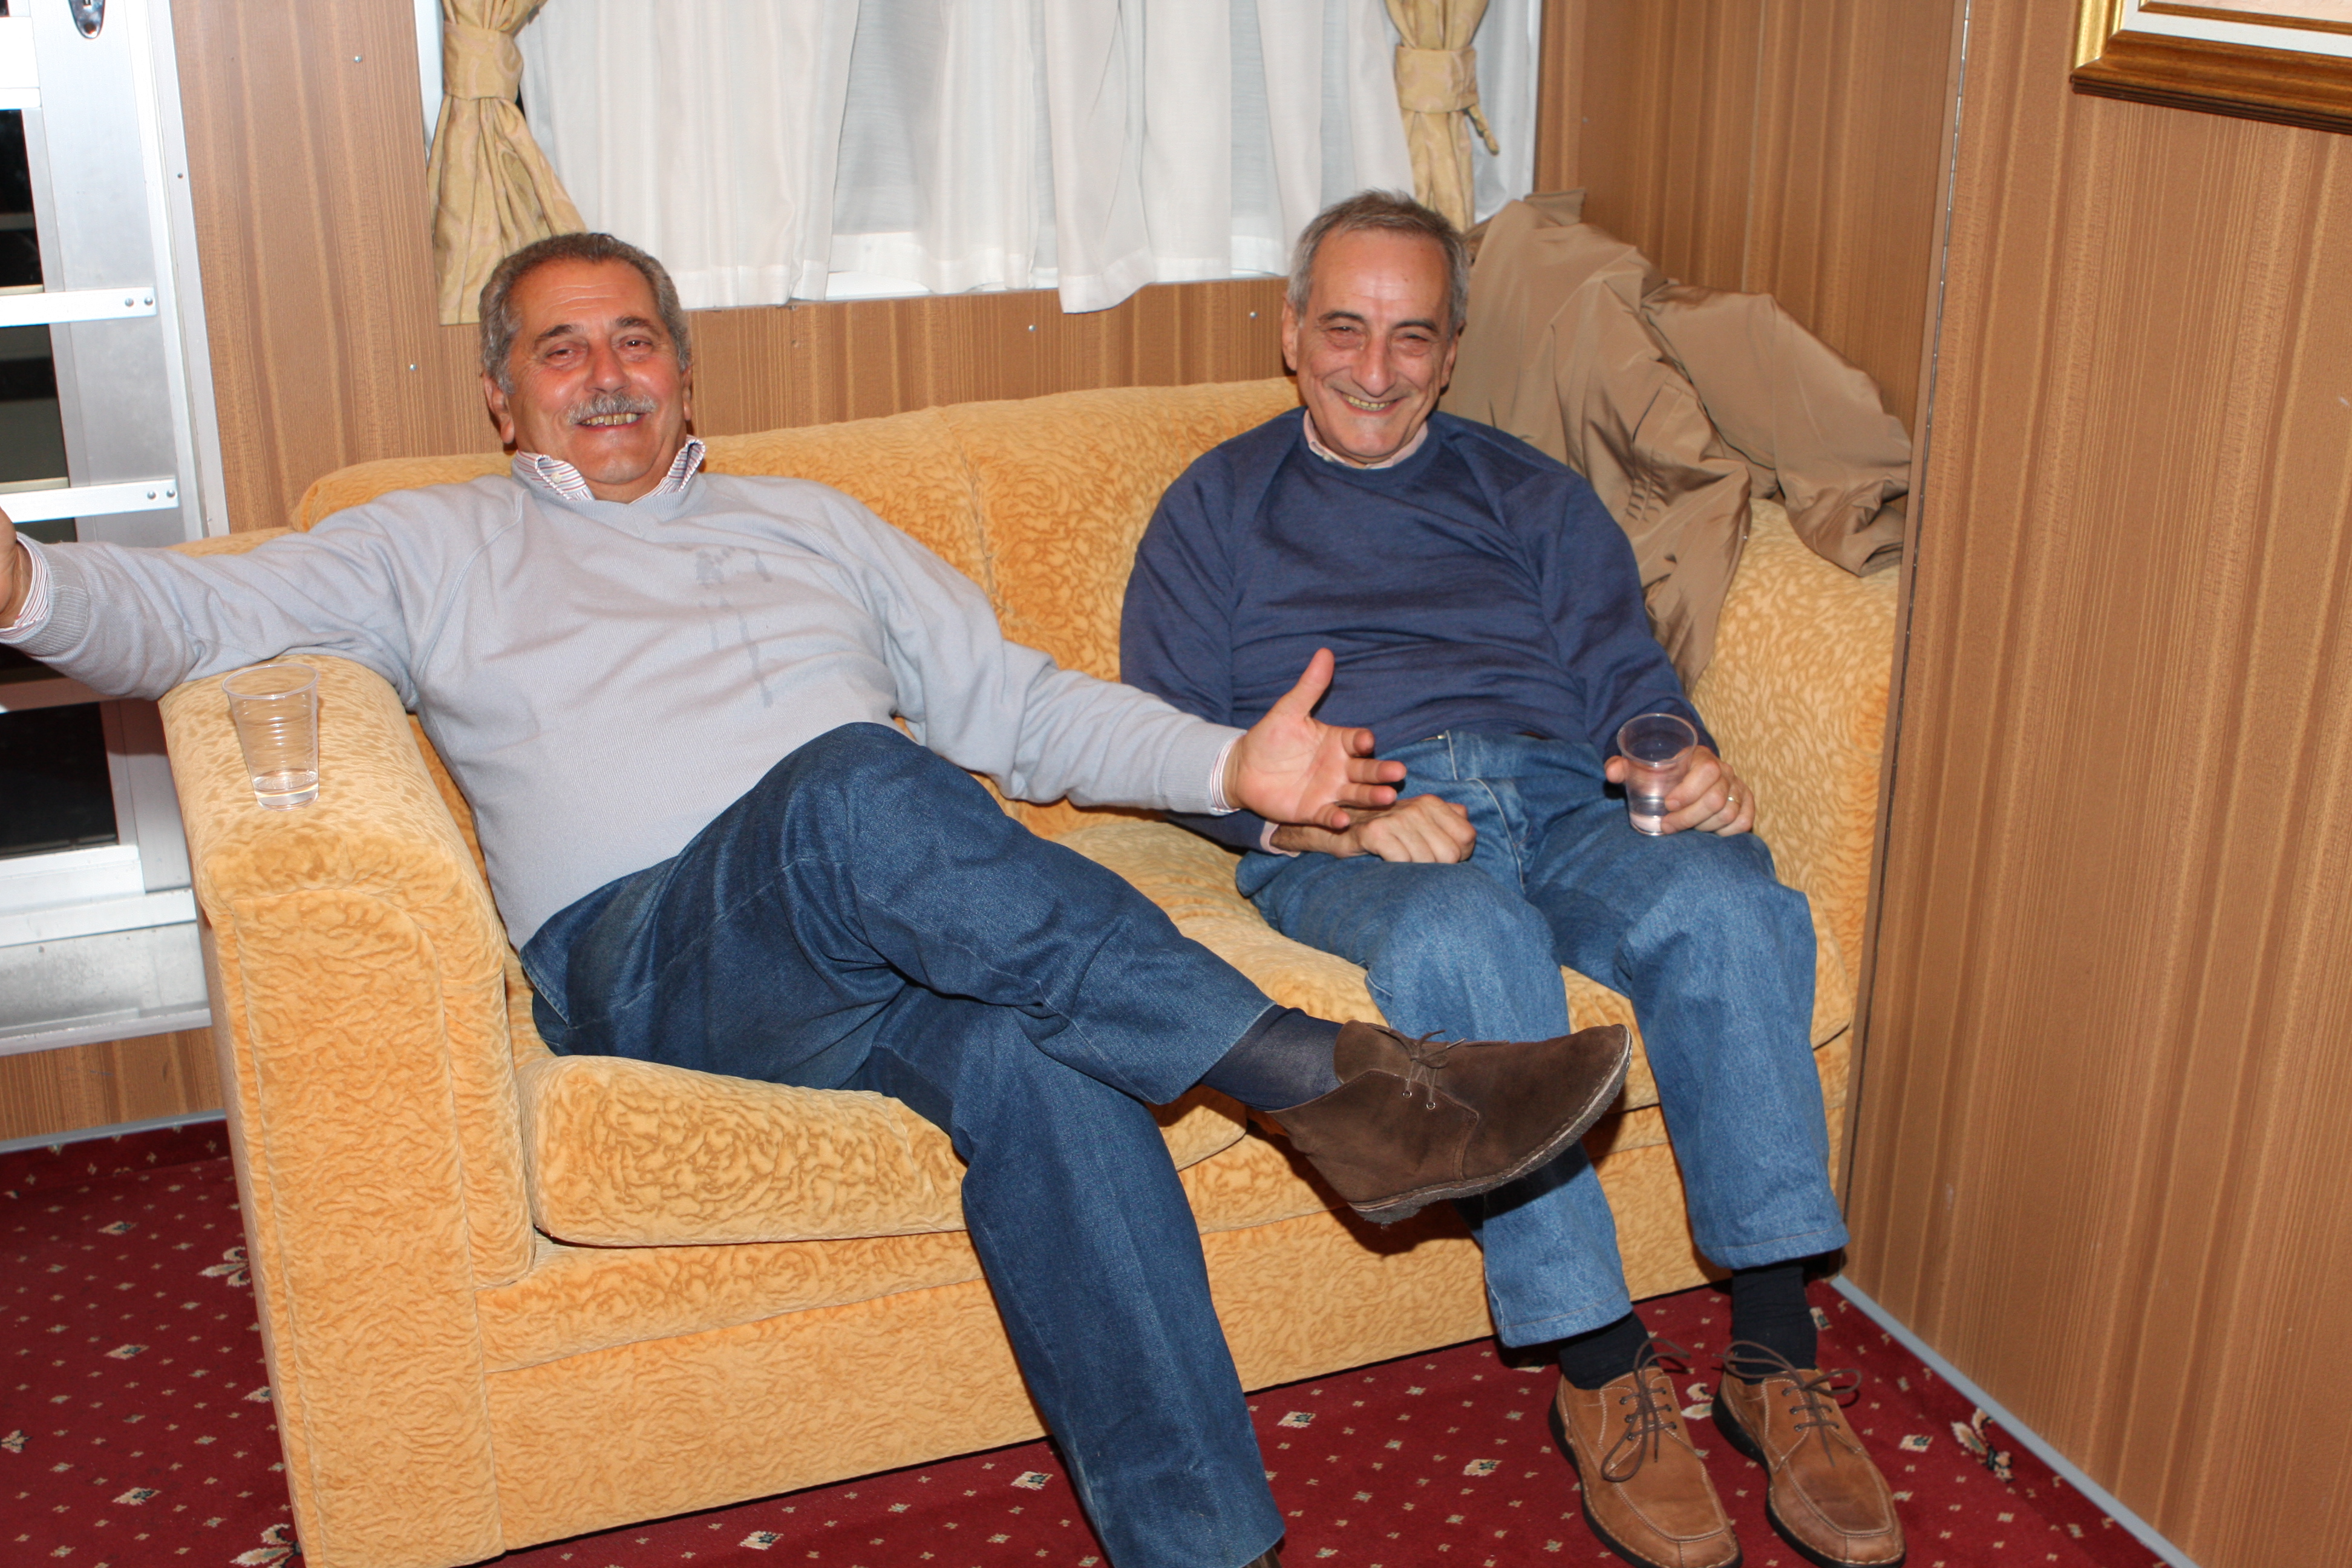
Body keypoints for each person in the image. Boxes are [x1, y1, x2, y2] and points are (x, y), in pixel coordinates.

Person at [0, 232, 1635, 1568]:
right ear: (502, 398)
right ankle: (1321, 1080)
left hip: (883, 938)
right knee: (855, 781)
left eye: (636, 340)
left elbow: (1018, 707)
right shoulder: (420, 545)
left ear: (684, 370)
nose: (606, 373)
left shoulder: (816, 526)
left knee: (1052, 1071)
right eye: (562, 351)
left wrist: (1228, 765)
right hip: (655, 952)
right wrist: (23, 583)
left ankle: (1206, 1548)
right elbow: (185, 620)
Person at [1121, 191, 1907, 1568]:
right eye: (1345, 330)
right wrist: (1329, 823)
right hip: (1366, 822)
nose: (1377, 369)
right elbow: (1169, 747)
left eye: (1413, 336)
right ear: (1292, 335)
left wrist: (1684, 765)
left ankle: (1775, 1355)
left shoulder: (1532, 493)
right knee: (1466, 936)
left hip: (1565, 794)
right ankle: (1601, 1367)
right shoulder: (1213, 510)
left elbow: (1628, 683)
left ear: (1452, 348)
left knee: (1727, 901)